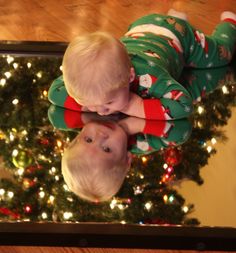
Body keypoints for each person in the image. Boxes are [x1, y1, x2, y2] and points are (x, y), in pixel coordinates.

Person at [48, 10, 236, 120]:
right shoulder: (88, 84)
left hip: (177, 37)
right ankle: (174, 16)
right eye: (89, 104)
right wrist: (86, 104)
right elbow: (55, 91)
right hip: (140, 28)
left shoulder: (150, 77)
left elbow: (183, 104)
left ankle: (229, 23)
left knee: (222, 55)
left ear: (130, 76)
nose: (101, 112)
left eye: (108, 102)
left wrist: (137, 108)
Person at [48, 105, 192, 202]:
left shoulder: (91, 112)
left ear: (78, 136)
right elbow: (182, 131)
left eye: (88, 139)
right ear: (126, 160)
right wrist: (134, 125)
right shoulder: (141, 142)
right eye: (107, 149)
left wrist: (88, 118)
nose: (100, 134)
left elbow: (54, 113)